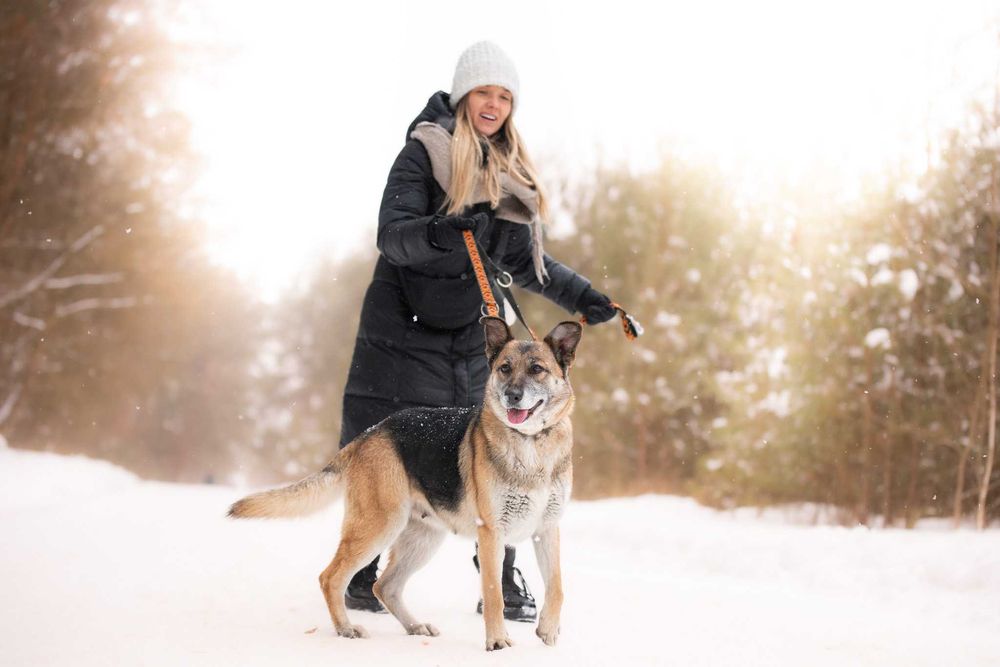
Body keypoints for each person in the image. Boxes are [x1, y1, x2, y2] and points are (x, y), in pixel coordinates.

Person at [339, 41, 618, 622]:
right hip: (401, 329)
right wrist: (443, 230)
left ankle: (503, 574)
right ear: (464, 94)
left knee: (495, 455)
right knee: (387, 454)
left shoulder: (508, 177)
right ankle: (363, 572)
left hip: (471, 335)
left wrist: (588, 298)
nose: (493, 104)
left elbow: (530, 267)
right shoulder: (425, 152)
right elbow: (393, 234)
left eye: (505, 96)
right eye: (484, 92)